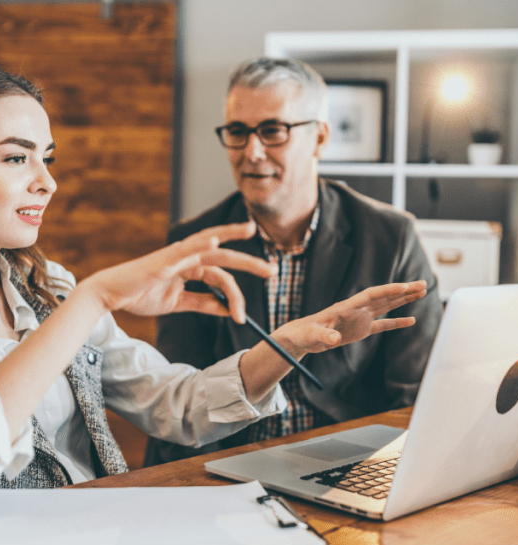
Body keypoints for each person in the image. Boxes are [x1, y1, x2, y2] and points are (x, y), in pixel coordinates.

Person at [0, 62, 428, 532]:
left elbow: (178, 406)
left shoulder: (49, 289)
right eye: (16, 159)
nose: (47, 182)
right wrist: (92, 301)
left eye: (47, 158)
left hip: (100, 536)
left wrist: (288, 345)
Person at [145, 58, 443, 466]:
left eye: (273, 131)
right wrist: (208, 486)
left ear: (319, 138)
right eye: (238, 132)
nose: (252, 152)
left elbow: (415, 396)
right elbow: (178, 399)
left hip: (348, 463)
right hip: (230, 466)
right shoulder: (193, 242)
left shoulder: (392, 238)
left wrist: (376, 474)